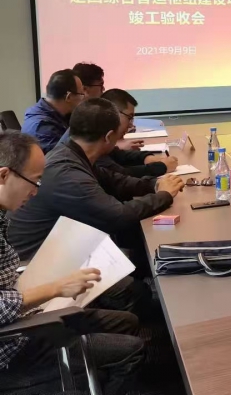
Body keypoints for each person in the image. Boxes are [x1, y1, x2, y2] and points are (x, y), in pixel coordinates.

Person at [0, 131, 145, 394]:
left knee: (126, 322)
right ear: (3, 176)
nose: (35, 192)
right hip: (11, 351)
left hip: (21, 322)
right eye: (34, 181)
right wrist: (55, 288)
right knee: (130, 350)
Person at [9, 98, 184, 263]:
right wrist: (164, 195)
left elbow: (114, 181)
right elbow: (118, 216)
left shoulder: (70, 152)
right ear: (108, 137)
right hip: (36, 263)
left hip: (58, 249)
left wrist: (154, 184)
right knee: (135, 276)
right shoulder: (68, 173)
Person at [58, 89, 178, 178]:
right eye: (129, 118)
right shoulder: (92, 136)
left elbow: (118, 155)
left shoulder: (97, 128)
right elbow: (119, 175)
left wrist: (147, 158)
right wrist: (161, 167)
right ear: (113, 112)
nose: (131, 125)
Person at [22, 69, 86, 154]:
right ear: (69, 97)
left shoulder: (50, 113)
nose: (83, 99)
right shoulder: (44, 129)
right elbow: (64, 157)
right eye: (81, 94)